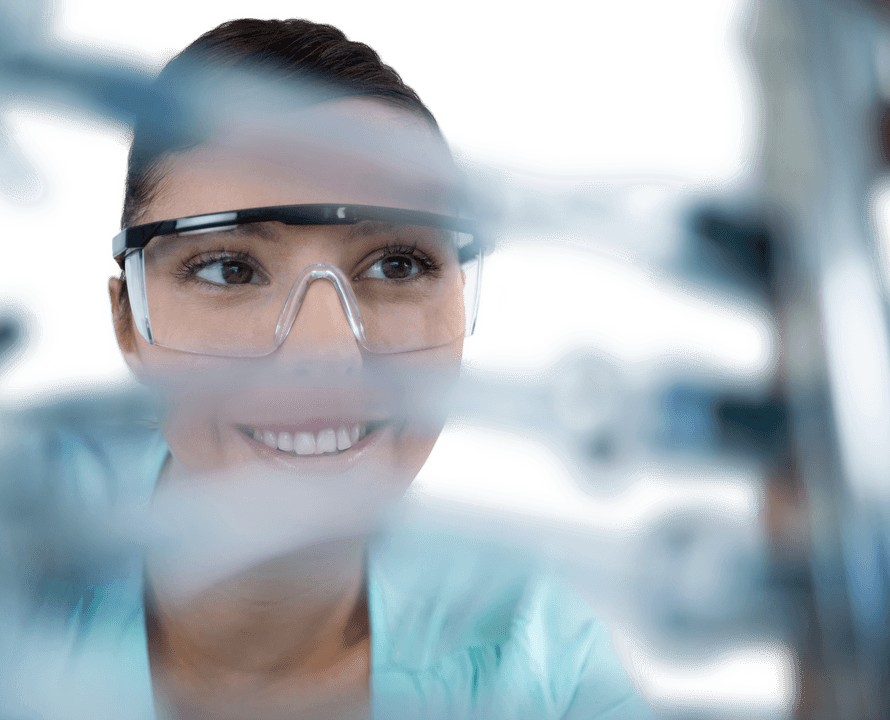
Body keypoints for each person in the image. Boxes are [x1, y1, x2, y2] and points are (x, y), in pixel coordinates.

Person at [40, 16, 654, 720]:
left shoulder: (539, 653)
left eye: (398, 265)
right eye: (229, 268)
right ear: (126, 317)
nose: (324, 354)